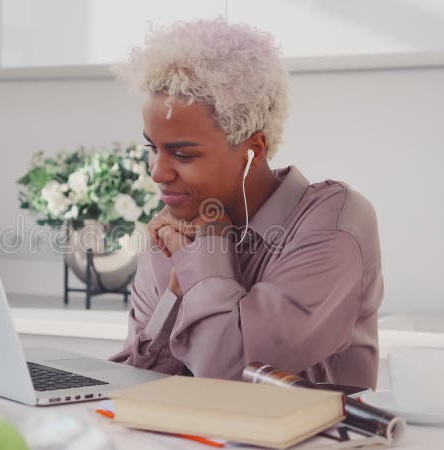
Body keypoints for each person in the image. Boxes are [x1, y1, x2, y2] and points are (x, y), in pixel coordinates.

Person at [109, 18, 383, 389]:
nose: (157, 173)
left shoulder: (334, 222)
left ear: (253, 149)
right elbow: (136, 382)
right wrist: (177, 288)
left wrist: (208, 250)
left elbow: (231, 375)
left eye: (183, 154)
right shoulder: (175, 228)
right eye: (152, 149)